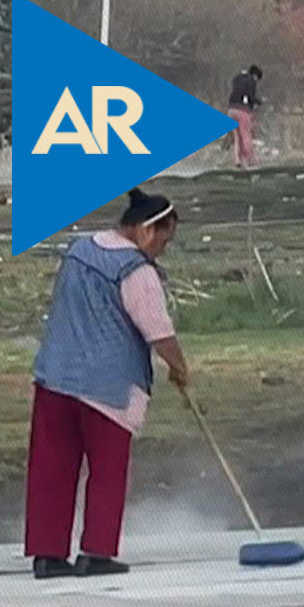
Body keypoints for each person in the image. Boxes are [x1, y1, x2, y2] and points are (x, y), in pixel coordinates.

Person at [25, 188, 190, 580]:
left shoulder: (78, 251)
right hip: (107, 387)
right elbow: (157, 330)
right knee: (107, 470)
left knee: (51, 468)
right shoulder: (136, 271)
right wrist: (180, 368)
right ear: (148, 231)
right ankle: (96, 551)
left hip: (55, 376)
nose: (163, 250)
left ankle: (47, 555)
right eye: (164, 240)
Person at [225, 65, 262, 170]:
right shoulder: (251, 80)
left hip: (231, 109)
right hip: (243, 110)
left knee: (237, 137)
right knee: (246, 135)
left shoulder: (237, 79)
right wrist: (257, 102)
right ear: (255, 75)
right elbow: (250, 96)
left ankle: (237, 160)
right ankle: (250, 160)